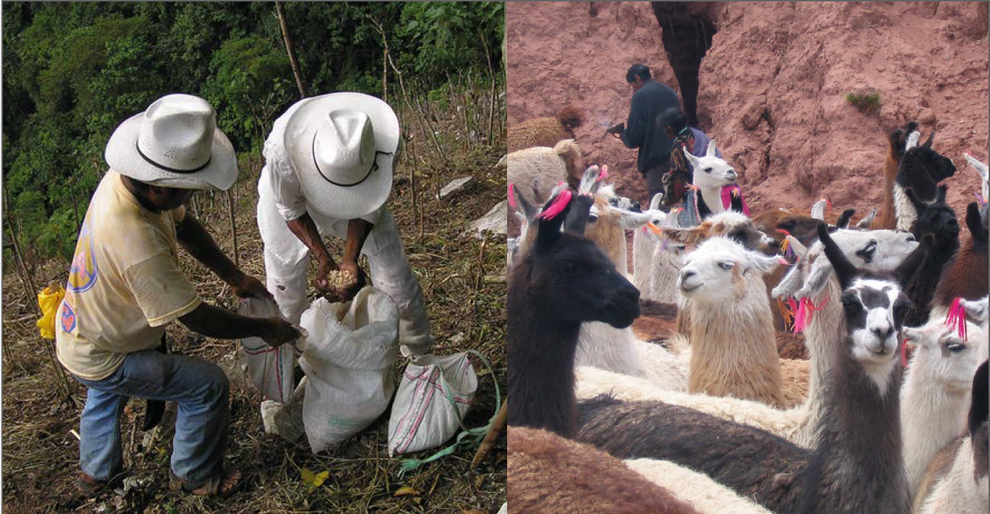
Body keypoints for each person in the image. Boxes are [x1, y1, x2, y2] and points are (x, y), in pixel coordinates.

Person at [56, 94, 301, 497]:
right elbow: (197, 319)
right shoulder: (135, 241)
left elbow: (187, 228)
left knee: (105, 391)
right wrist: (266, 328)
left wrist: (235, 277)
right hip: (106, 350)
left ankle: (96, 473)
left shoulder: (128, 179)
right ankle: (194, 476)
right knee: (206, 385)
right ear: (160, 189)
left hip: (84, 330)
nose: (191, 196)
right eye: (187, 189)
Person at [257, 92, 432, 358]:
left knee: (397, 281)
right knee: (285, 288)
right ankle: (289, 365)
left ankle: (421, 359)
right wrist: (324, 259)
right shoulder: (283, 152)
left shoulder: (383, 142)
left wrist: (350, 258)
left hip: (363, 194)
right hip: (293, 202)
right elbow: (291, 211)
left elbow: (370, 205)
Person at [605, 63, 682, 205]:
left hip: (657, 157)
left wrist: (623, 134)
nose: (633, 89)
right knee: (677, 200)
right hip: (678, 154)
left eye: (632, 85)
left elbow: (635, 136)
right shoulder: (669, 92)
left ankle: (664, 228)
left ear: (637, 78)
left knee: (659, 203)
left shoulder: (640, 96)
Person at [660, 106, 721, 206]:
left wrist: (669, 198)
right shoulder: (698, 134)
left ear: (669, 128)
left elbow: (681, 180)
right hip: (722, 183)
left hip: (704, 196)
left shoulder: (678, 146)